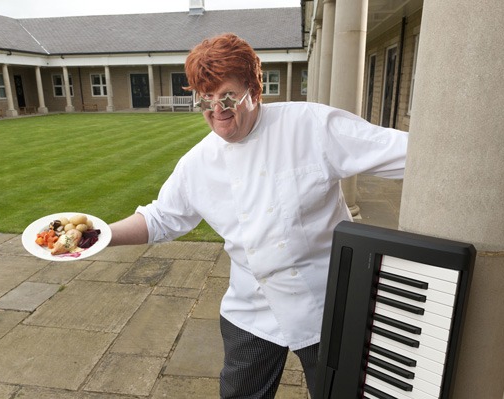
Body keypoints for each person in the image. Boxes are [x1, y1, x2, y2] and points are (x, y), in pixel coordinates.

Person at [108, 33, 408, 398]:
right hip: (251, 307)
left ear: (254, 88)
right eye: (205, 99)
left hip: (326, 304)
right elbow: (160, 219)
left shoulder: (311, 125)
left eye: (228, 96)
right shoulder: (197, 163)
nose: (216, 109)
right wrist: (98, 235)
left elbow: (408, 154)